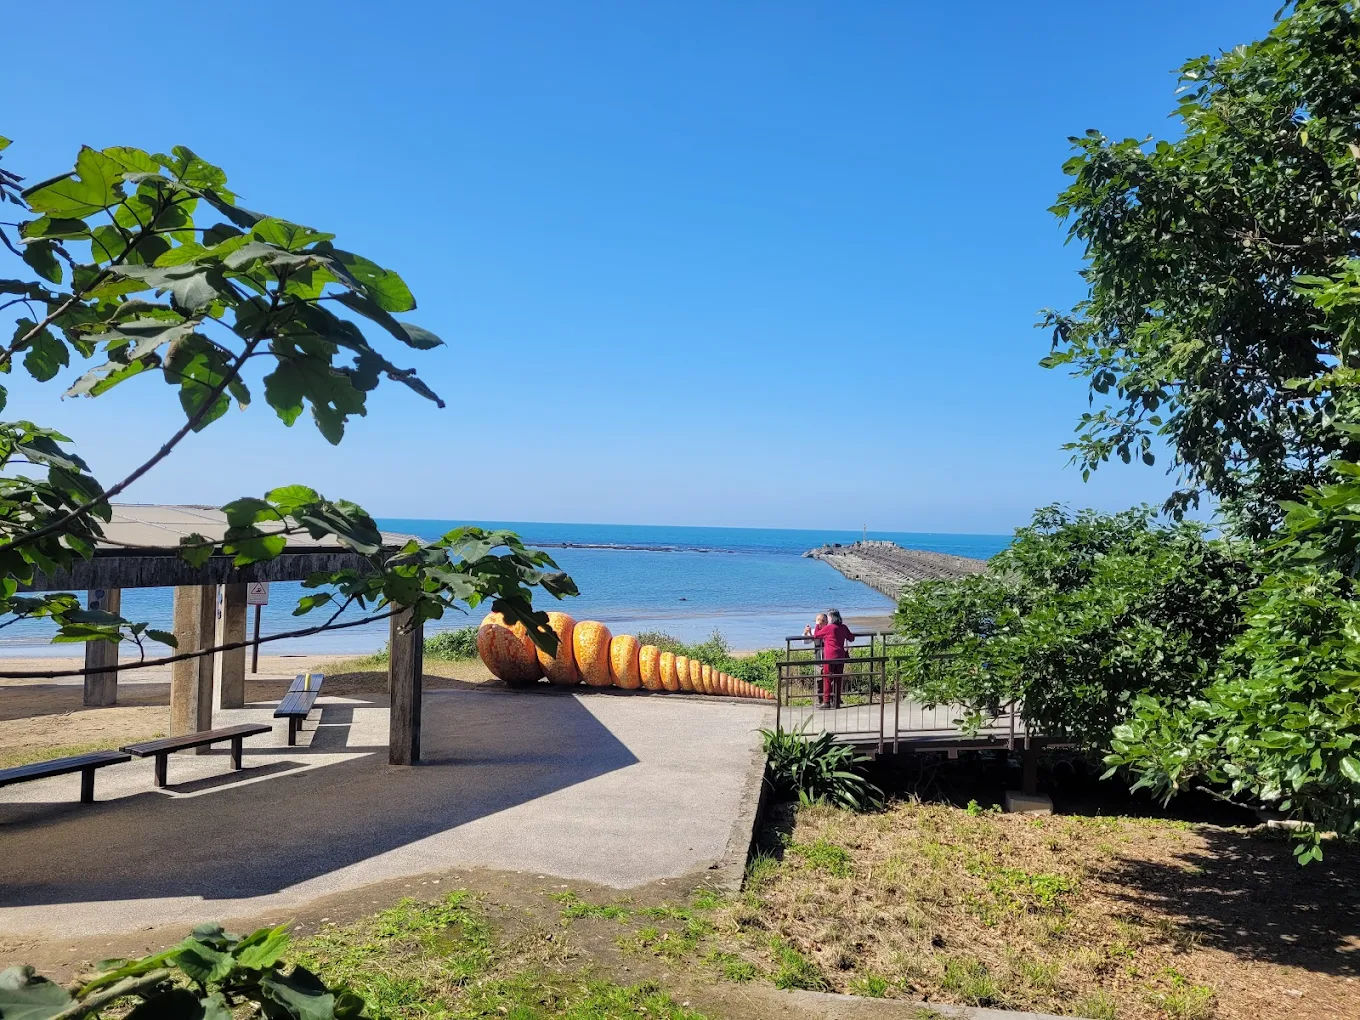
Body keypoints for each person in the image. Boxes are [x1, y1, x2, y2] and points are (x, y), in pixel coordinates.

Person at [805, 609, 852, 709]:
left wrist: (818, 624)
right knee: (838, 679)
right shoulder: (843, 627)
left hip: (830, 657)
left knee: (827, 678)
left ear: (831, 618)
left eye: (828, 617)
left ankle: (826, 702)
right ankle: (837, 702)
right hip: (840, 656)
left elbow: (816, 635)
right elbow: (851, 638)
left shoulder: (829, 628)